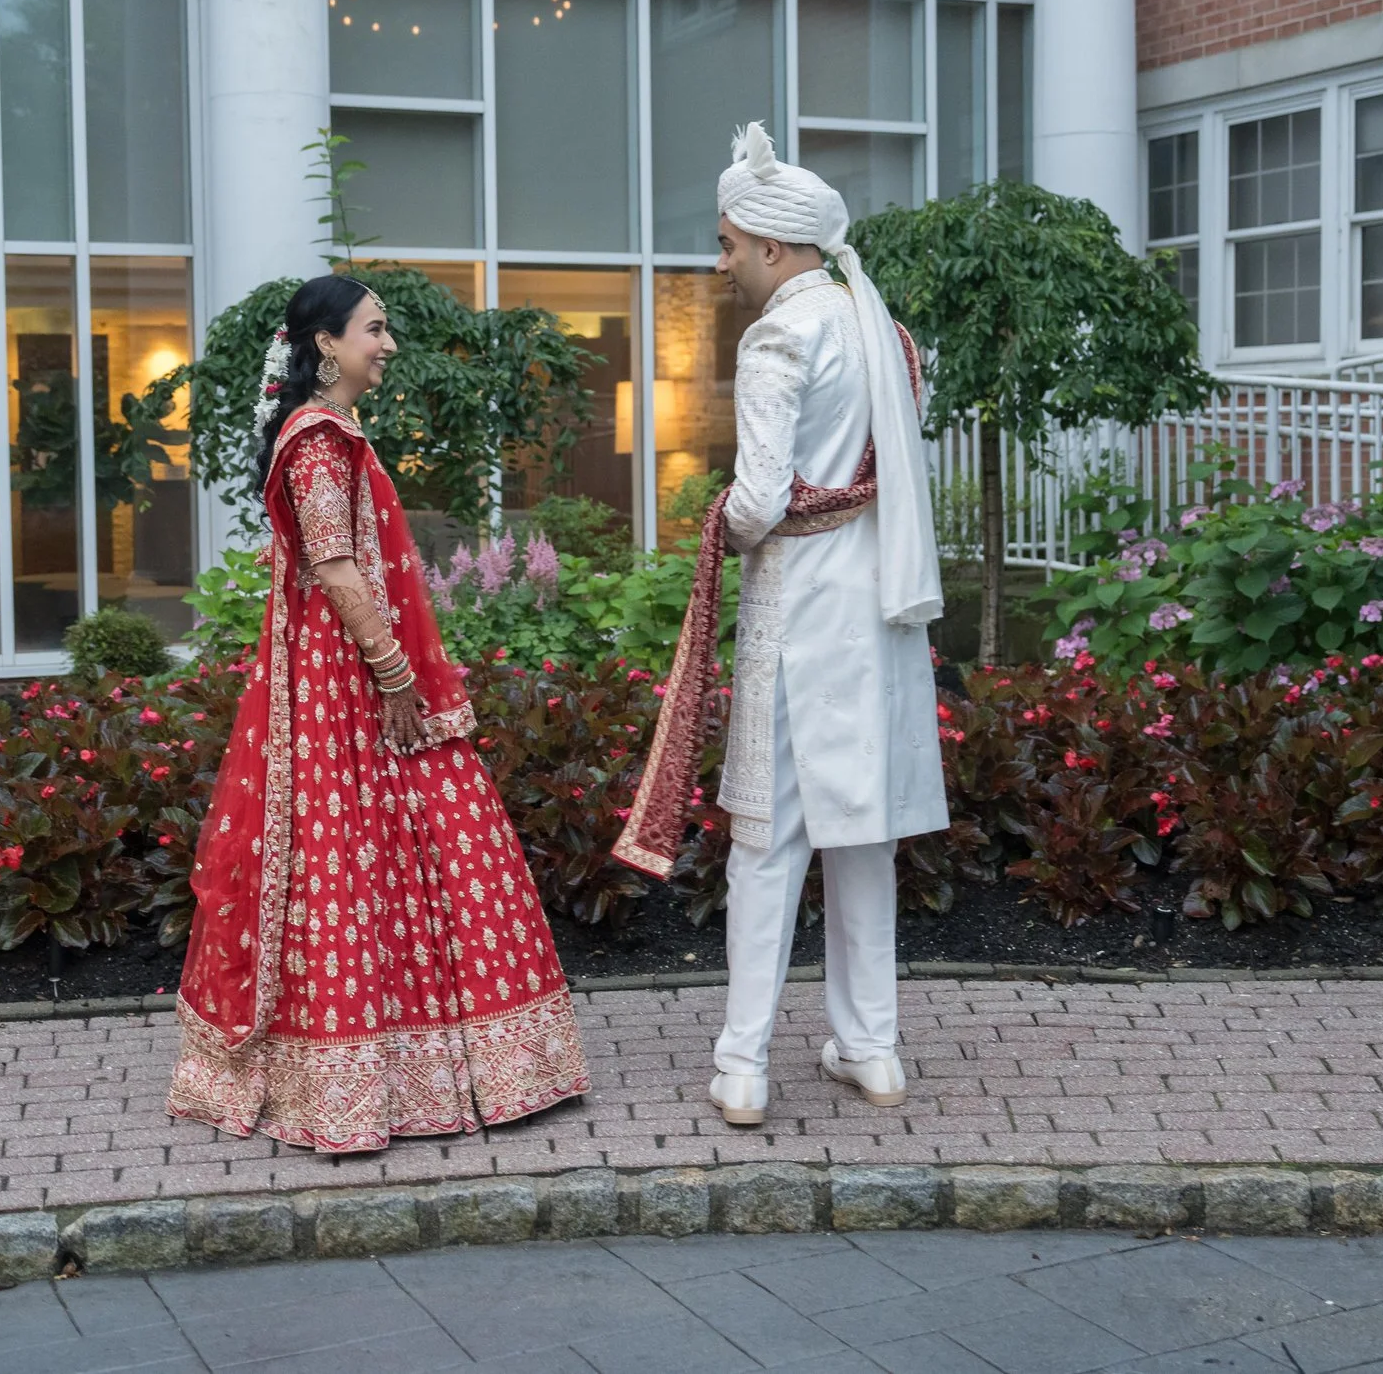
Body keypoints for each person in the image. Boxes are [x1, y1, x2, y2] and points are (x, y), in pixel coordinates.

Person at [167, 274, 591, 1152]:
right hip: (342, 678)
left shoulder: (336, 433)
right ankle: (351, 1083)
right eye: (375, 328)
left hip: (342, 667)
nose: (387, 344)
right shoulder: (318, 442)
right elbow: (336, 570)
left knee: (396, 845)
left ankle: (420, 1068)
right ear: (326, 344)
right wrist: (397, 677)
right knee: (350, 850)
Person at [614, 122, 946, 1125]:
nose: (718, 265)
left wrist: (718, 516)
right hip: (879, 608)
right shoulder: (882, 331)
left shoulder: (779, 334)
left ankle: (742, 1063)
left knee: (767, 837)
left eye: (725, 244)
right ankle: (872, 1047)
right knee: (863, 836)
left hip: (797, 606)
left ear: (771, 245)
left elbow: (759, 498)